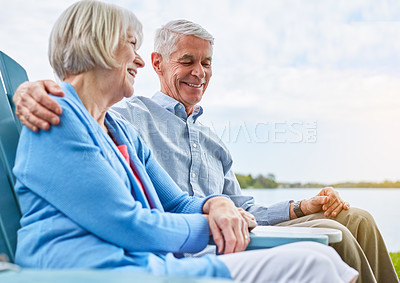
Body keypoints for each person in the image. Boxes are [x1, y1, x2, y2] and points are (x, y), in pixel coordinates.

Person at [11, 1, 359, 282]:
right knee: (315, 266)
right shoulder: (57, 117)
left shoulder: (120, 131)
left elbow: (177, 203)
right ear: (96, 42)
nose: (138, 59)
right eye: (132, 44)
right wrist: (213, 224)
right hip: (101, 270)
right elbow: (127, 224)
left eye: (207, 62)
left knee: (319, 255)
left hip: (149, 261)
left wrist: (218, 205)